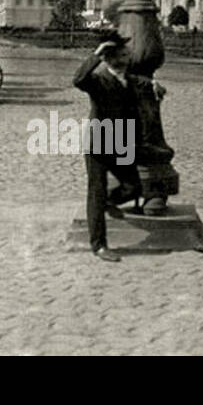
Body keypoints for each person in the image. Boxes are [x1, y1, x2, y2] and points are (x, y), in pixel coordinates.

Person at [71, 33, 159, 263]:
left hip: (121, 144)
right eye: (122, 54)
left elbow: (141, 83)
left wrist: (154, 84)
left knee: (134, 186)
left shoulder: (128, 79)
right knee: (96, 193)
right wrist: (96, 54)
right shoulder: (97, 81)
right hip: (98, 145)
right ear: (111, 59)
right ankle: (99, 246)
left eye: (126, 53)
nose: (127, 56)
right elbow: (78, 80)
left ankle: (109, 201)